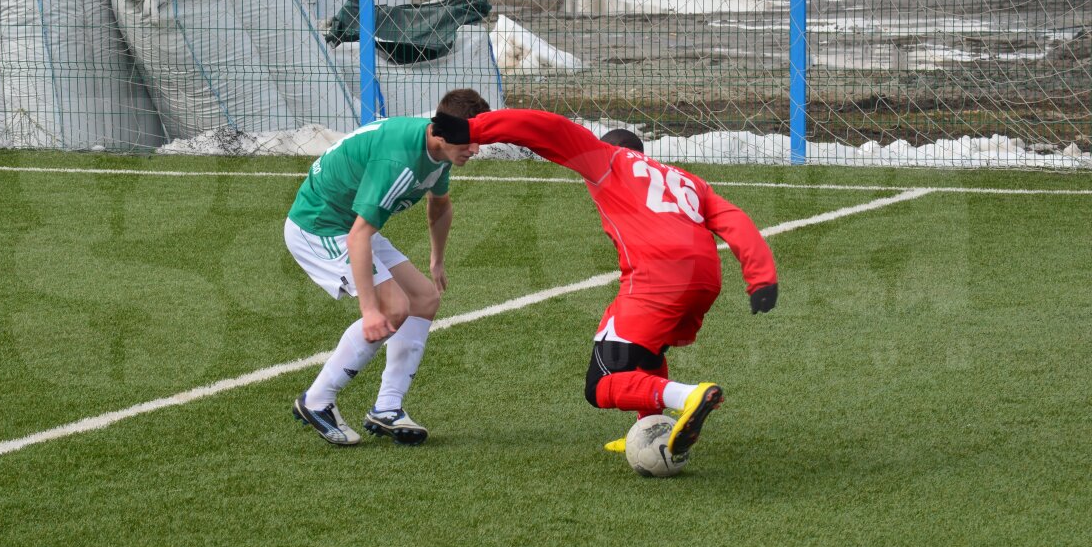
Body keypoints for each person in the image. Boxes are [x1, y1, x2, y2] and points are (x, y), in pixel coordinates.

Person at [430, 109, 778, 457]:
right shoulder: (687, 180)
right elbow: (734, 218)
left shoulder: (605, 158)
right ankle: (652, 426)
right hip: (704, 277)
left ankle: (688, 395)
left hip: (658, 275)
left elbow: (549, 128)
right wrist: (761, 277)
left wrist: (472, 128)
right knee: (647, 349)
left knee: (600, 385)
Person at [285, 88, 490, 446]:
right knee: (392, 309)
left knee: (424, 299)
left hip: (351, 223)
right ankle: (317, 400)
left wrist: (437, 259)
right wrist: (369, 310)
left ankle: (387, 408)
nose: (475, 150)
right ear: (440, 132)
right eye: (468, 141)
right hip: (320, 226)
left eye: (478, 140)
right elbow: (358, 238)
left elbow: (439, 205)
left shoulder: (439, 149)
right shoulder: (399, 162)